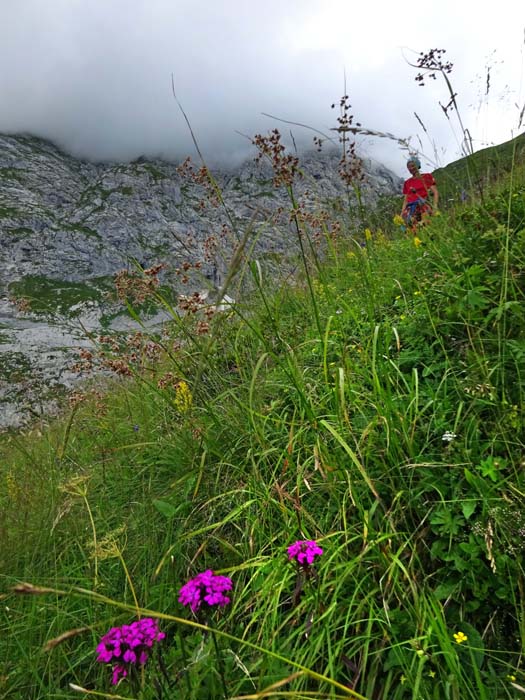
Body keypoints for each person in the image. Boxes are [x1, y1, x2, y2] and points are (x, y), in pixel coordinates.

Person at [401, 157, 439, 230]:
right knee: (411, 230)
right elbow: (406, 200)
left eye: (413, 166)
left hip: (423, 206)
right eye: (409, 167)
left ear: (418, 165)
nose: (411, 168)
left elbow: (435, 192)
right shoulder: (407, 183)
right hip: (410, 209)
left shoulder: (427, 176)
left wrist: (435, 207)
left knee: (426, 227)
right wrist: (402, 213)